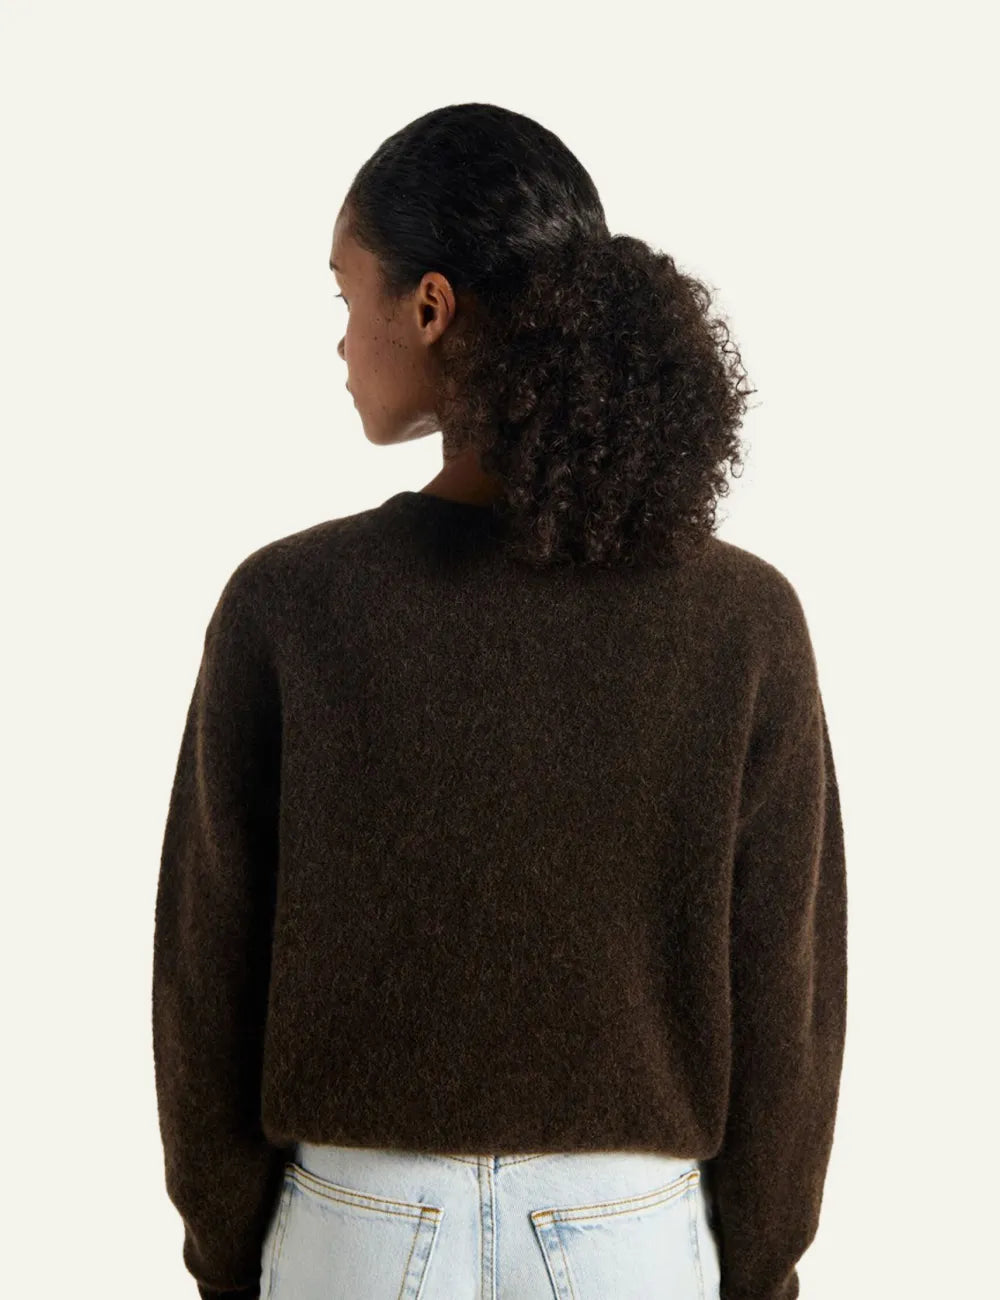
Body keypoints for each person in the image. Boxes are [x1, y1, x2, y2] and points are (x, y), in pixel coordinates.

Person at [152, 102, 847, 1300]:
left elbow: (205, 980)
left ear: (428, 306)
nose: (339, 343)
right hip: (629, 1235)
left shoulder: (288, 604)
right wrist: (761, 1266)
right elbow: (788, 1004)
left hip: (357, 1230)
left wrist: (227, 1255)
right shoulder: (743, 620)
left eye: (345, 295)